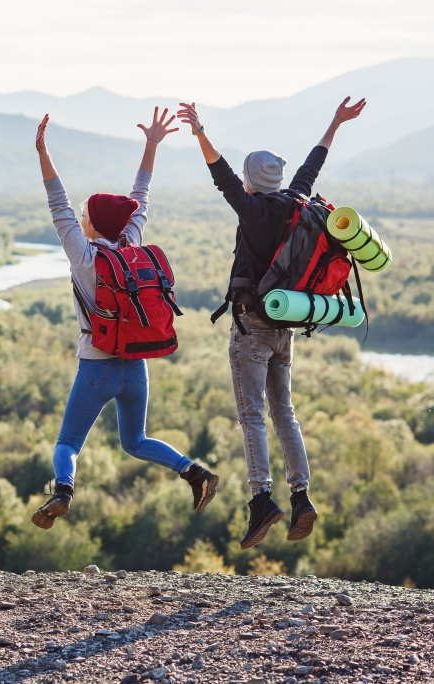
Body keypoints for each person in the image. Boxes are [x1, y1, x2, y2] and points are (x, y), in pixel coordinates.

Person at [176, 97, 366, 549]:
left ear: (250, 180)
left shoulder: (254, 209)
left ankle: (261, 500)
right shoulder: (295, 201)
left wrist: (200, 131)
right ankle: (301, 496)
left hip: (251, 329)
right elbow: (311, 167)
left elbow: (220, 174)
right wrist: (335, 122)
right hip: (285, 323)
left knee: (251, 417)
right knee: (284, 414)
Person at [30, 108, 220, 530]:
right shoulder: (132, 244)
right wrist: (152, 145)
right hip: (135, 365)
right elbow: (140, 198)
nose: (79, 218)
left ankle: (62, 492)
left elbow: (58, 202)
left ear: (93, 225)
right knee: (135, 441)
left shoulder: (84, 257)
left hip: (96, 366)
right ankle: (194, 472)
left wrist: (43, 152)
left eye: (84, 216)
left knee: (67, 443)